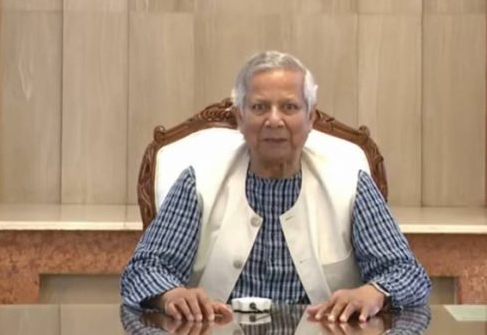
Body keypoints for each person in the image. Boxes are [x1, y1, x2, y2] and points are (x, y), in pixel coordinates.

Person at [121, 51, 431, 323]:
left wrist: (374, 292)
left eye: (289, 107)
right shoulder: (199, 179)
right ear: (240, 117)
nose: (274, 120)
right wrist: (170, 295)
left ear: (310, 117)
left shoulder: (349, 179)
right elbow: (145, 268)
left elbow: (406, 272)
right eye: (259, 107)